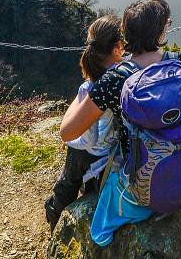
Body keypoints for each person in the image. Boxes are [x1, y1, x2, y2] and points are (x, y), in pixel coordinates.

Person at [59, 0, 181, 244]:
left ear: (125, 35)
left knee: (106, 210)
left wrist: (84, 92)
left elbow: (68, 132)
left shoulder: (115, 79)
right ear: (160, 33)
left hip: (140, 189)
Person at [44, 14, 124, 231]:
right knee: (76, 181)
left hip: (86, 151)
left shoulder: (90, 87)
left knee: (68, 182)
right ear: (117, 48)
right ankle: (60, 213)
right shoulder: (122, 77)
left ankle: (56, 211)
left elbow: (81, 136)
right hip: (107, 150)